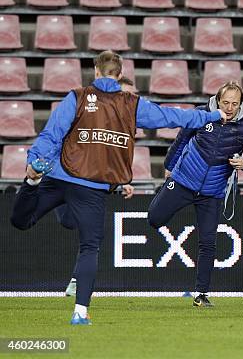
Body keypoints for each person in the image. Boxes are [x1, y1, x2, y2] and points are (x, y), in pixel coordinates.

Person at [10, 51, 227, 325]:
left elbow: (52, 133)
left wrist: (35, 160)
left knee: (21, 221)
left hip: (58, 175)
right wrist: (210, 115)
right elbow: (172, 117)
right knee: (90, 247)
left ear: (96, 71)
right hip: (91, 187)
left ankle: (31, 181)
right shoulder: (131, 104)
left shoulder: (76, 96)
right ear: (120, 74)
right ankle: (80, 312)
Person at [147, 81, 243, 308]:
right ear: (217, 100)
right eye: (226, 102)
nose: (230, 107)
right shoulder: (202, 115)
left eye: (235, 103)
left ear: (241, 103)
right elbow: (182, 139)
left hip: (212, 193)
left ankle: (201, 294)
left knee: (208, 243)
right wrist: (169, 166)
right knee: (154, 219)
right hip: (183, 181)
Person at [62, 77, 137, 297]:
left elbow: (114, 159)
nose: (131, 100)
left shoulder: (122, 123)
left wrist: (122, 182)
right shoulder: (93, 117)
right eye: (127, 95)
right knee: (73, 224)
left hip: (95, 187)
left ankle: (77, 280)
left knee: (91, 235)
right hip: (76, 180)